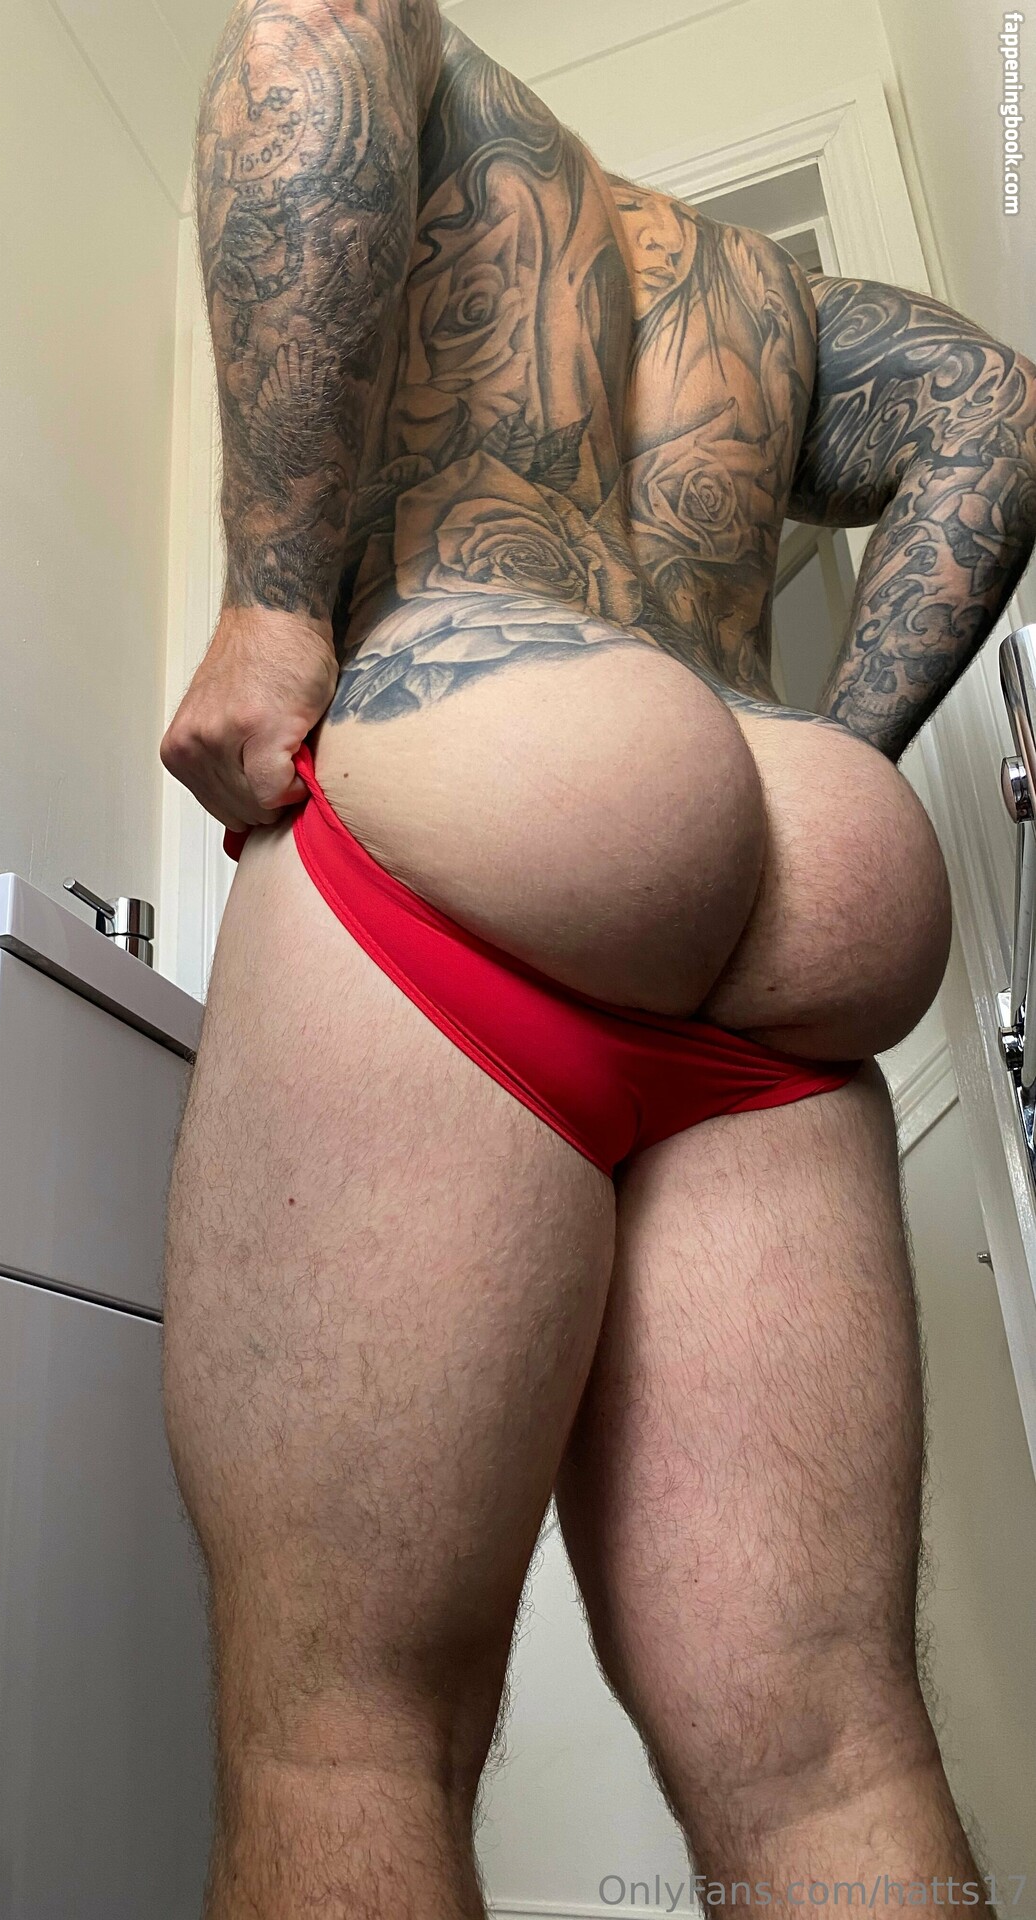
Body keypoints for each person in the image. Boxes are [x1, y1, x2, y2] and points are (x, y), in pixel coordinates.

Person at [159, 3, 1036, 1914]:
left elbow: (311, 31)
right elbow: (994, 408)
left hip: (508, 758)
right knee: (830, 1764)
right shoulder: (770, 298)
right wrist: (827, 768)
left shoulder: (448, 97)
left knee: (339, 1737)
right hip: (798, 869)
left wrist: (272, 601)